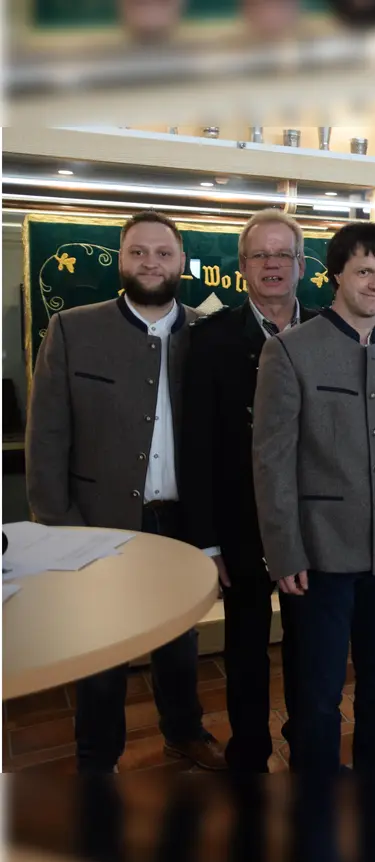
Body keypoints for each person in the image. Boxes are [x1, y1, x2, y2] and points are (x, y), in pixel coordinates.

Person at [26, 209, 227, 773]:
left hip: (181, 522)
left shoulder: (208, 334)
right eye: (138, 252)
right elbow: (46, 438)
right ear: (120, 259)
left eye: (163, 253)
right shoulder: (73, 329)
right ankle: (97, 759)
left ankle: (183, 734)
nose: (150, 263)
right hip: (97, 522)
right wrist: (60, 530)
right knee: (100, 647)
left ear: (182, 261)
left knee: (179, 640)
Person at [252, 222, 375, 773]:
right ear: (336, 274)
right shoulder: (288, 351)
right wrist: (284, 552)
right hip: (320, 555)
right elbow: (272, 463)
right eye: (364, 271)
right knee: (318, 691)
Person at [180, 208, 305, 773]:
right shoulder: (209, 339)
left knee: (311, 645)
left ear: (302, 265)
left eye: (282, 254)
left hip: (310, 522)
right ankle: (249, 754)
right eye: (260, 255)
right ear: (242, 266)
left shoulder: (327, 330)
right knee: (246, 646)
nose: (271, 265)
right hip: (239, 524)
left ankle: (306, 746)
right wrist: (207, 540)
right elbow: (196, 444)